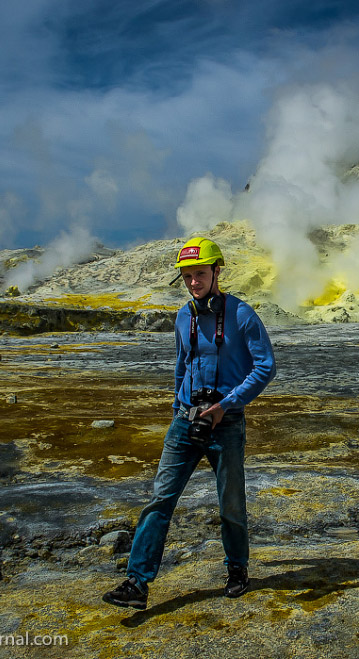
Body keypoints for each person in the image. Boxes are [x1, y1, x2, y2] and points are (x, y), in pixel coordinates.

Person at [103, 237, 276, 610]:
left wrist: (225, 405)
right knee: (159, 500)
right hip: (185, 421)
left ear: (217, 272)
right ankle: (136, 583)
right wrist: (178, 408)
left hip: (226, 423)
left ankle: (237, 570)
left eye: (200, 274)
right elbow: (182, 364)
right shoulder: (184, 316)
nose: (194, 282)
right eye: (187, 276)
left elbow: (266, 367)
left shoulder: (242, 315)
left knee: (231, 503)